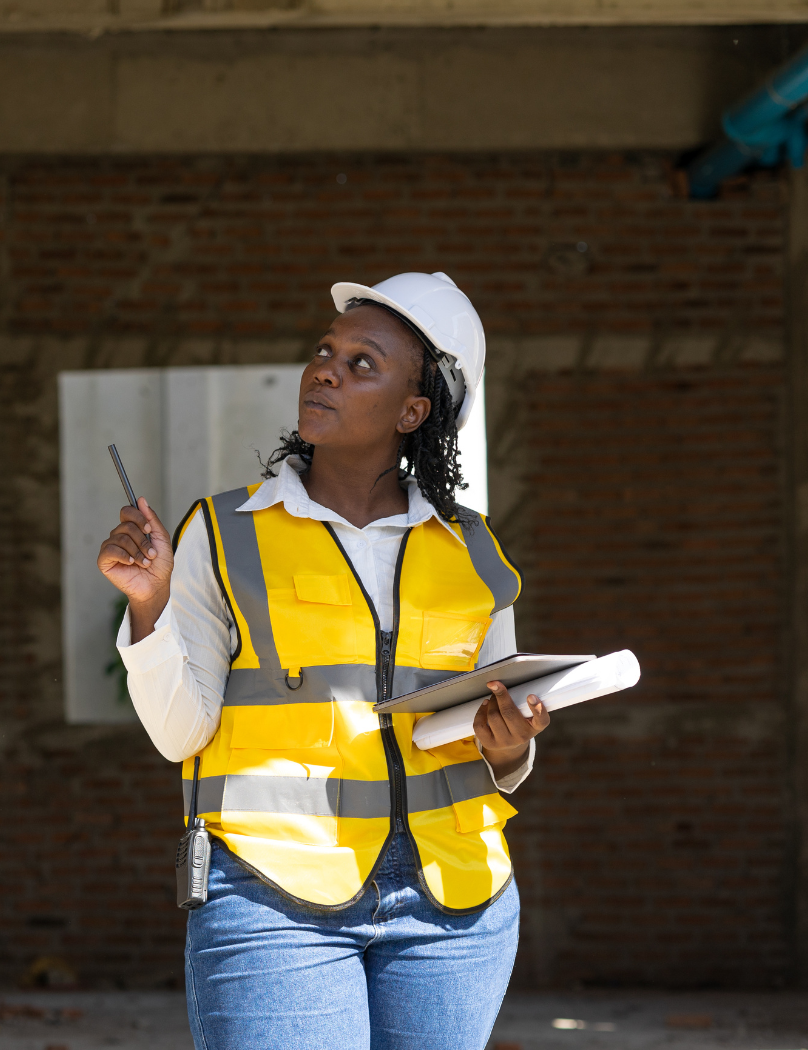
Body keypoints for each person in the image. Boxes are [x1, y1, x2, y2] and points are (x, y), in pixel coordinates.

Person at [97, 273, 548, 1050]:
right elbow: (181, 734)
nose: (325, 370)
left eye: (362, 363)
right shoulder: (225, 532)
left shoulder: (473, 550)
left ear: (415, 411)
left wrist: (512, 744)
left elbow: (498, 731)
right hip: (274, 895)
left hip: (457, 899)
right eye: (324, 352)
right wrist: (149, 606)